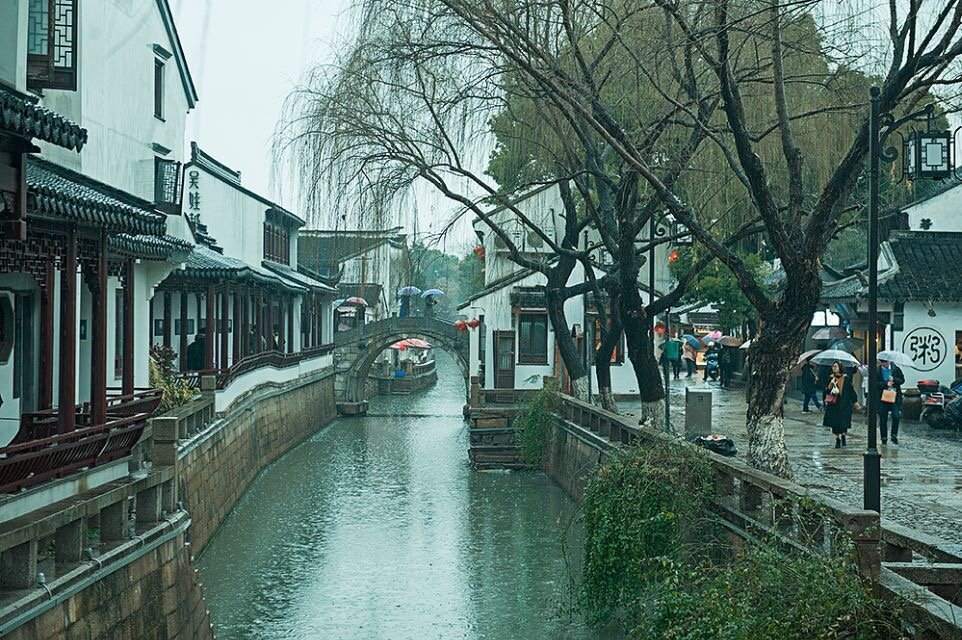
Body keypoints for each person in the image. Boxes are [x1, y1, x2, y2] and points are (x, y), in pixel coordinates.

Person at [823, 361, 857, 448]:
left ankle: (843, 436)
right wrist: (830, 385)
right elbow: (826, 391)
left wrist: (855, 401)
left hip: (844, 404)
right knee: (835, 423)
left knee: (843, 423)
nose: (834, 368)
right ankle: (837, 439)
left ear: (840, 368)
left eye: (836, 366)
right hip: (834, 403)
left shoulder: (846, 379)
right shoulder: (831, 378)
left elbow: (851, 391)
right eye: (833, 366)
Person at [877, 358, 905, 445]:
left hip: (894, 396)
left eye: (885, 362)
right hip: (883, 397)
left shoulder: (895, 369)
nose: (884, 364)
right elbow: (875, 383)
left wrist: (894, 379)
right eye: (882, 363)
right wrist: (885, 384)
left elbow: (902, 380)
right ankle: (884, 437)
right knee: (883, 417)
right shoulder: (878, 370)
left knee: (896, 416)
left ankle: (894, 435)